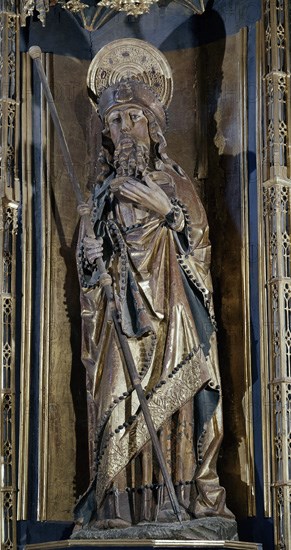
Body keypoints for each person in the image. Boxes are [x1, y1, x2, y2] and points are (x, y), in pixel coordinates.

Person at [74, 49, 233, 530]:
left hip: (174, 319)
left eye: (134, 119)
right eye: (116, 121)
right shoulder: (99, 195)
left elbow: (199, 250)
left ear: (153, 129)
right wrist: (91, 262)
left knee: (174, 408)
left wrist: (167, 211)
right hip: (116, 321)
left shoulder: (176, 184)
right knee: (114, 401)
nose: (124, 129)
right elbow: (88, 263)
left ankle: (177, 504)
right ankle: (117, 510)